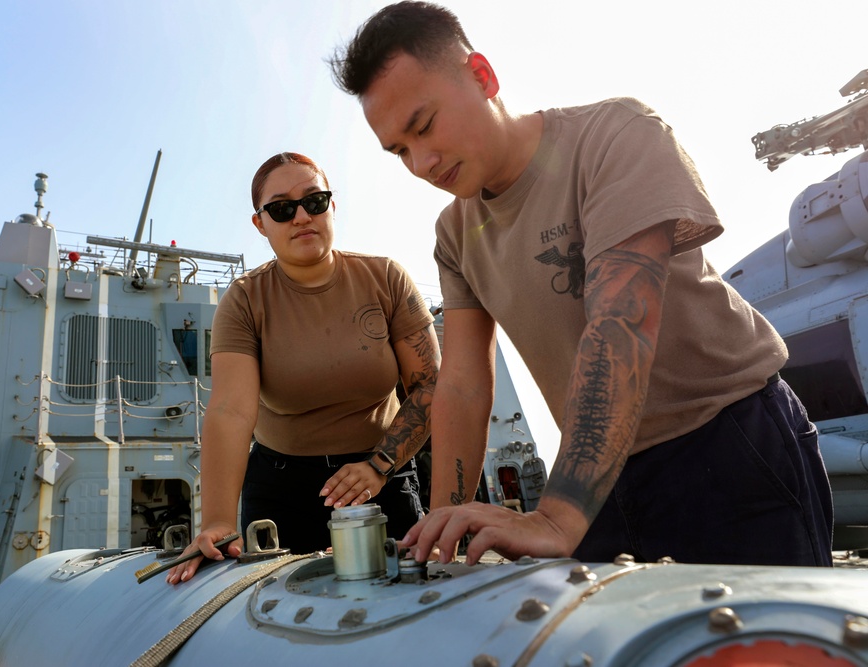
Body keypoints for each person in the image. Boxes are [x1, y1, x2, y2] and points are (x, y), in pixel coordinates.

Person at [329, 2, 834, 567]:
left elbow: (620, 323)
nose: (421, 161)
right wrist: (442, 530)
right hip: (596, 479)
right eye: (398, 150)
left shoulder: (614, 134)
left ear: (482, 76)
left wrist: (559, 515)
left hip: (726, 440)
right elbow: (464, 385)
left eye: (424, 126)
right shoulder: (454, 232)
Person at [167, 152, 440, 584]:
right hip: (281, 486)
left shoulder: (386, 279)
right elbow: (231, 411)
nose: (300, 217)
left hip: (383, 474)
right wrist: (217, 521)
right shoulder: (244, 300)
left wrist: (379, 466)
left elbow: (430, 385)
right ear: (261, 223)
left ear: (332, 206)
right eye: (281, 208)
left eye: (314, 201)